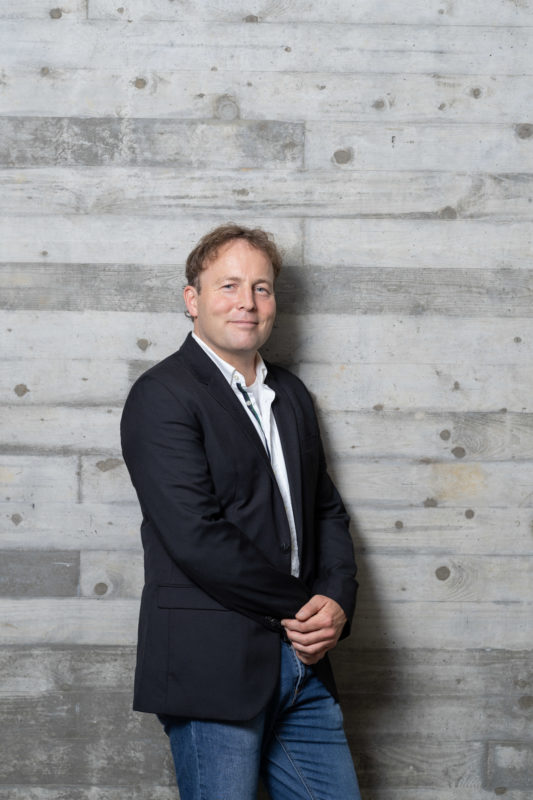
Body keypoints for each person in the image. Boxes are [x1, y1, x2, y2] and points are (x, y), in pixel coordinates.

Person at [120, 223, 362, 800]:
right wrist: (305, 607)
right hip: (213, 668)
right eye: (228, 286)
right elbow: (196, 535)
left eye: (261, 288)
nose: (247, 303)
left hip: (304, 664)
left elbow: (325, 511)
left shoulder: (292, 395)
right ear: (192, 299)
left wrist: (337, 603)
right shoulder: (162, 395)